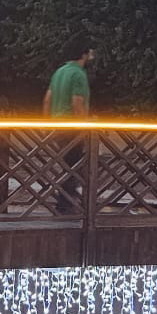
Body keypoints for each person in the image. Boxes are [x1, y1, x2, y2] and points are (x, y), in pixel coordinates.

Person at [44, 42, 94, 214]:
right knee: (73, 166)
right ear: (84, 54)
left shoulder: (59, 72)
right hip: (72, 127)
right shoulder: (78, 74)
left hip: (57, 126)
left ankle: (66, 201)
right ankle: (66, 204)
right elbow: (77, 103)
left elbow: (47, 99)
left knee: (67, 165)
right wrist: (85, 127)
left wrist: (47, 123)